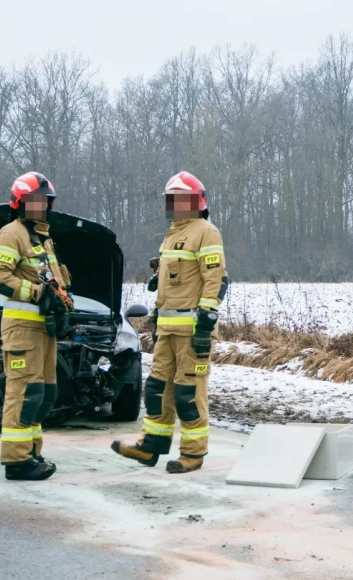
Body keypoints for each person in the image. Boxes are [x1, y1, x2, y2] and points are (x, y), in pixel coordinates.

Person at [112, 171, 229, 474]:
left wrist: (206, 323)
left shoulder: (206, 231)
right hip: (166, 330)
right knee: (156, 389)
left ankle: (193, 453)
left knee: (187, 393)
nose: (177, 205)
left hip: (192, 331)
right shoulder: (172, 233)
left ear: (197, 202)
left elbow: (215, 279)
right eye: (173, 200)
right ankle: (150, 446)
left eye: (183, 200)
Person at [0, 171, 72, 481]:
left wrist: (63, 302)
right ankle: (16, 460)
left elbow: (55, 281)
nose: (41, 207)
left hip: (44, 328)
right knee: (23, 393)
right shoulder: (11, 233)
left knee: (44, 393)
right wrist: (38, 293)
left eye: (45, 202)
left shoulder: (42, 237)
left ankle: (31, 452)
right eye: (35, 202)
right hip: (22, 327)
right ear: (20, 203)